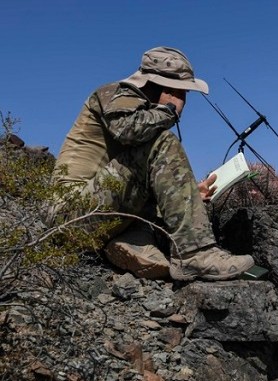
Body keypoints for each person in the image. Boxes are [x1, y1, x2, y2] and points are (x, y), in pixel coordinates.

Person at [48, 46, 255, 281]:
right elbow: (128, 130)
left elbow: (132, 180)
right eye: (181, 92)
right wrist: (168, 111)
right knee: (163, 143)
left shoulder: (140, 111)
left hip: (95, 211)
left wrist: (186, 194)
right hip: (70, 215)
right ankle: (195, 255)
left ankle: (130, 242)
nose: (183, 100)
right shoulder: (114, 94)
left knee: (161, 205)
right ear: (163, 87)